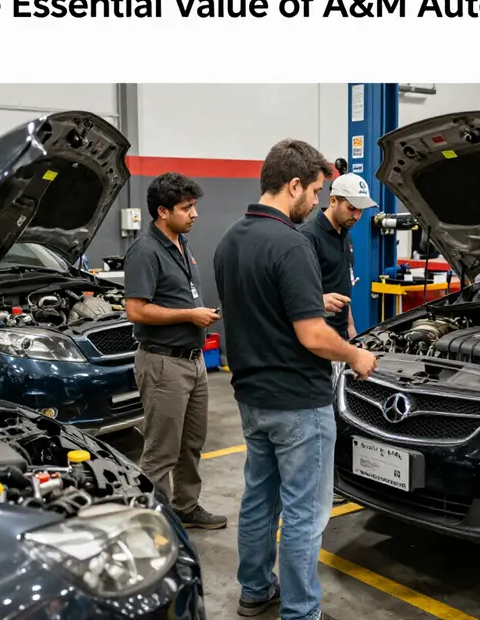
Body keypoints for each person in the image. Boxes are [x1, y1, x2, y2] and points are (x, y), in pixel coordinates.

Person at [214, 139, 378, 620]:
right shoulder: (291, 244)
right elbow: (311, 335)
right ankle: (302, 611)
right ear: (293, 186)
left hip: (251, 397)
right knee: (306, 514)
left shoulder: (229, 241)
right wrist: (355, 356)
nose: (316, 200)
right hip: (299, 404)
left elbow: (255, 314)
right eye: (315, 190)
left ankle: (254, 591)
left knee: (259, 500)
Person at [124, 172, 227, 531]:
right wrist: (189, 315)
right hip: (163, 362)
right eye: (187, 208)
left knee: (191, 443)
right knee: (161, 449)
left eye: (194, 206)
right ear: (162, 211)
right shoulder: (145, 251)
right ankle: (152, 518)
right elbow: (136, 310)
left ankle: (185, 505)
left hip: (193, 360)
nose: (194, 214)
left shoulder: (182, 244)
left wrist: (200, 315)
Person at [301, 172, 378, 343]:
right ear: (333, 201)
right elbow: (297, 294)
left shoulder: (345, 235)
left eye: (361, 210)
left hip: (341, 334)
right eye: (351, 208)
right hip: (317, 336)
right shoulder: (308, 237)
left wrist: (350, 327)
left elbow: (342, 284)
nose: (357, 216)